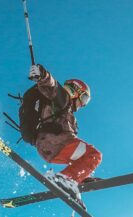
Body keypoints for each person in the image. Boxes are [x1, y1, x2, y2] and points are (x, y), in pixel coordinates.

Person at [28, 64, 102, 208]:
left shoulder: (66, 110)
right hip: (56, 141)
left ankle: (75, 178)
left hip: (48, 148)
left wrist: (83, 176)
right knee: (94, 155)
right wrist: (42, 74)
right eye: (84, 98)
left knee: (81, 158)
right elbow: (52, 86)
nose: (83, 104)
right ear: (76, 91)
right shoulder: (63, 99)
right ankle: (66, 179)